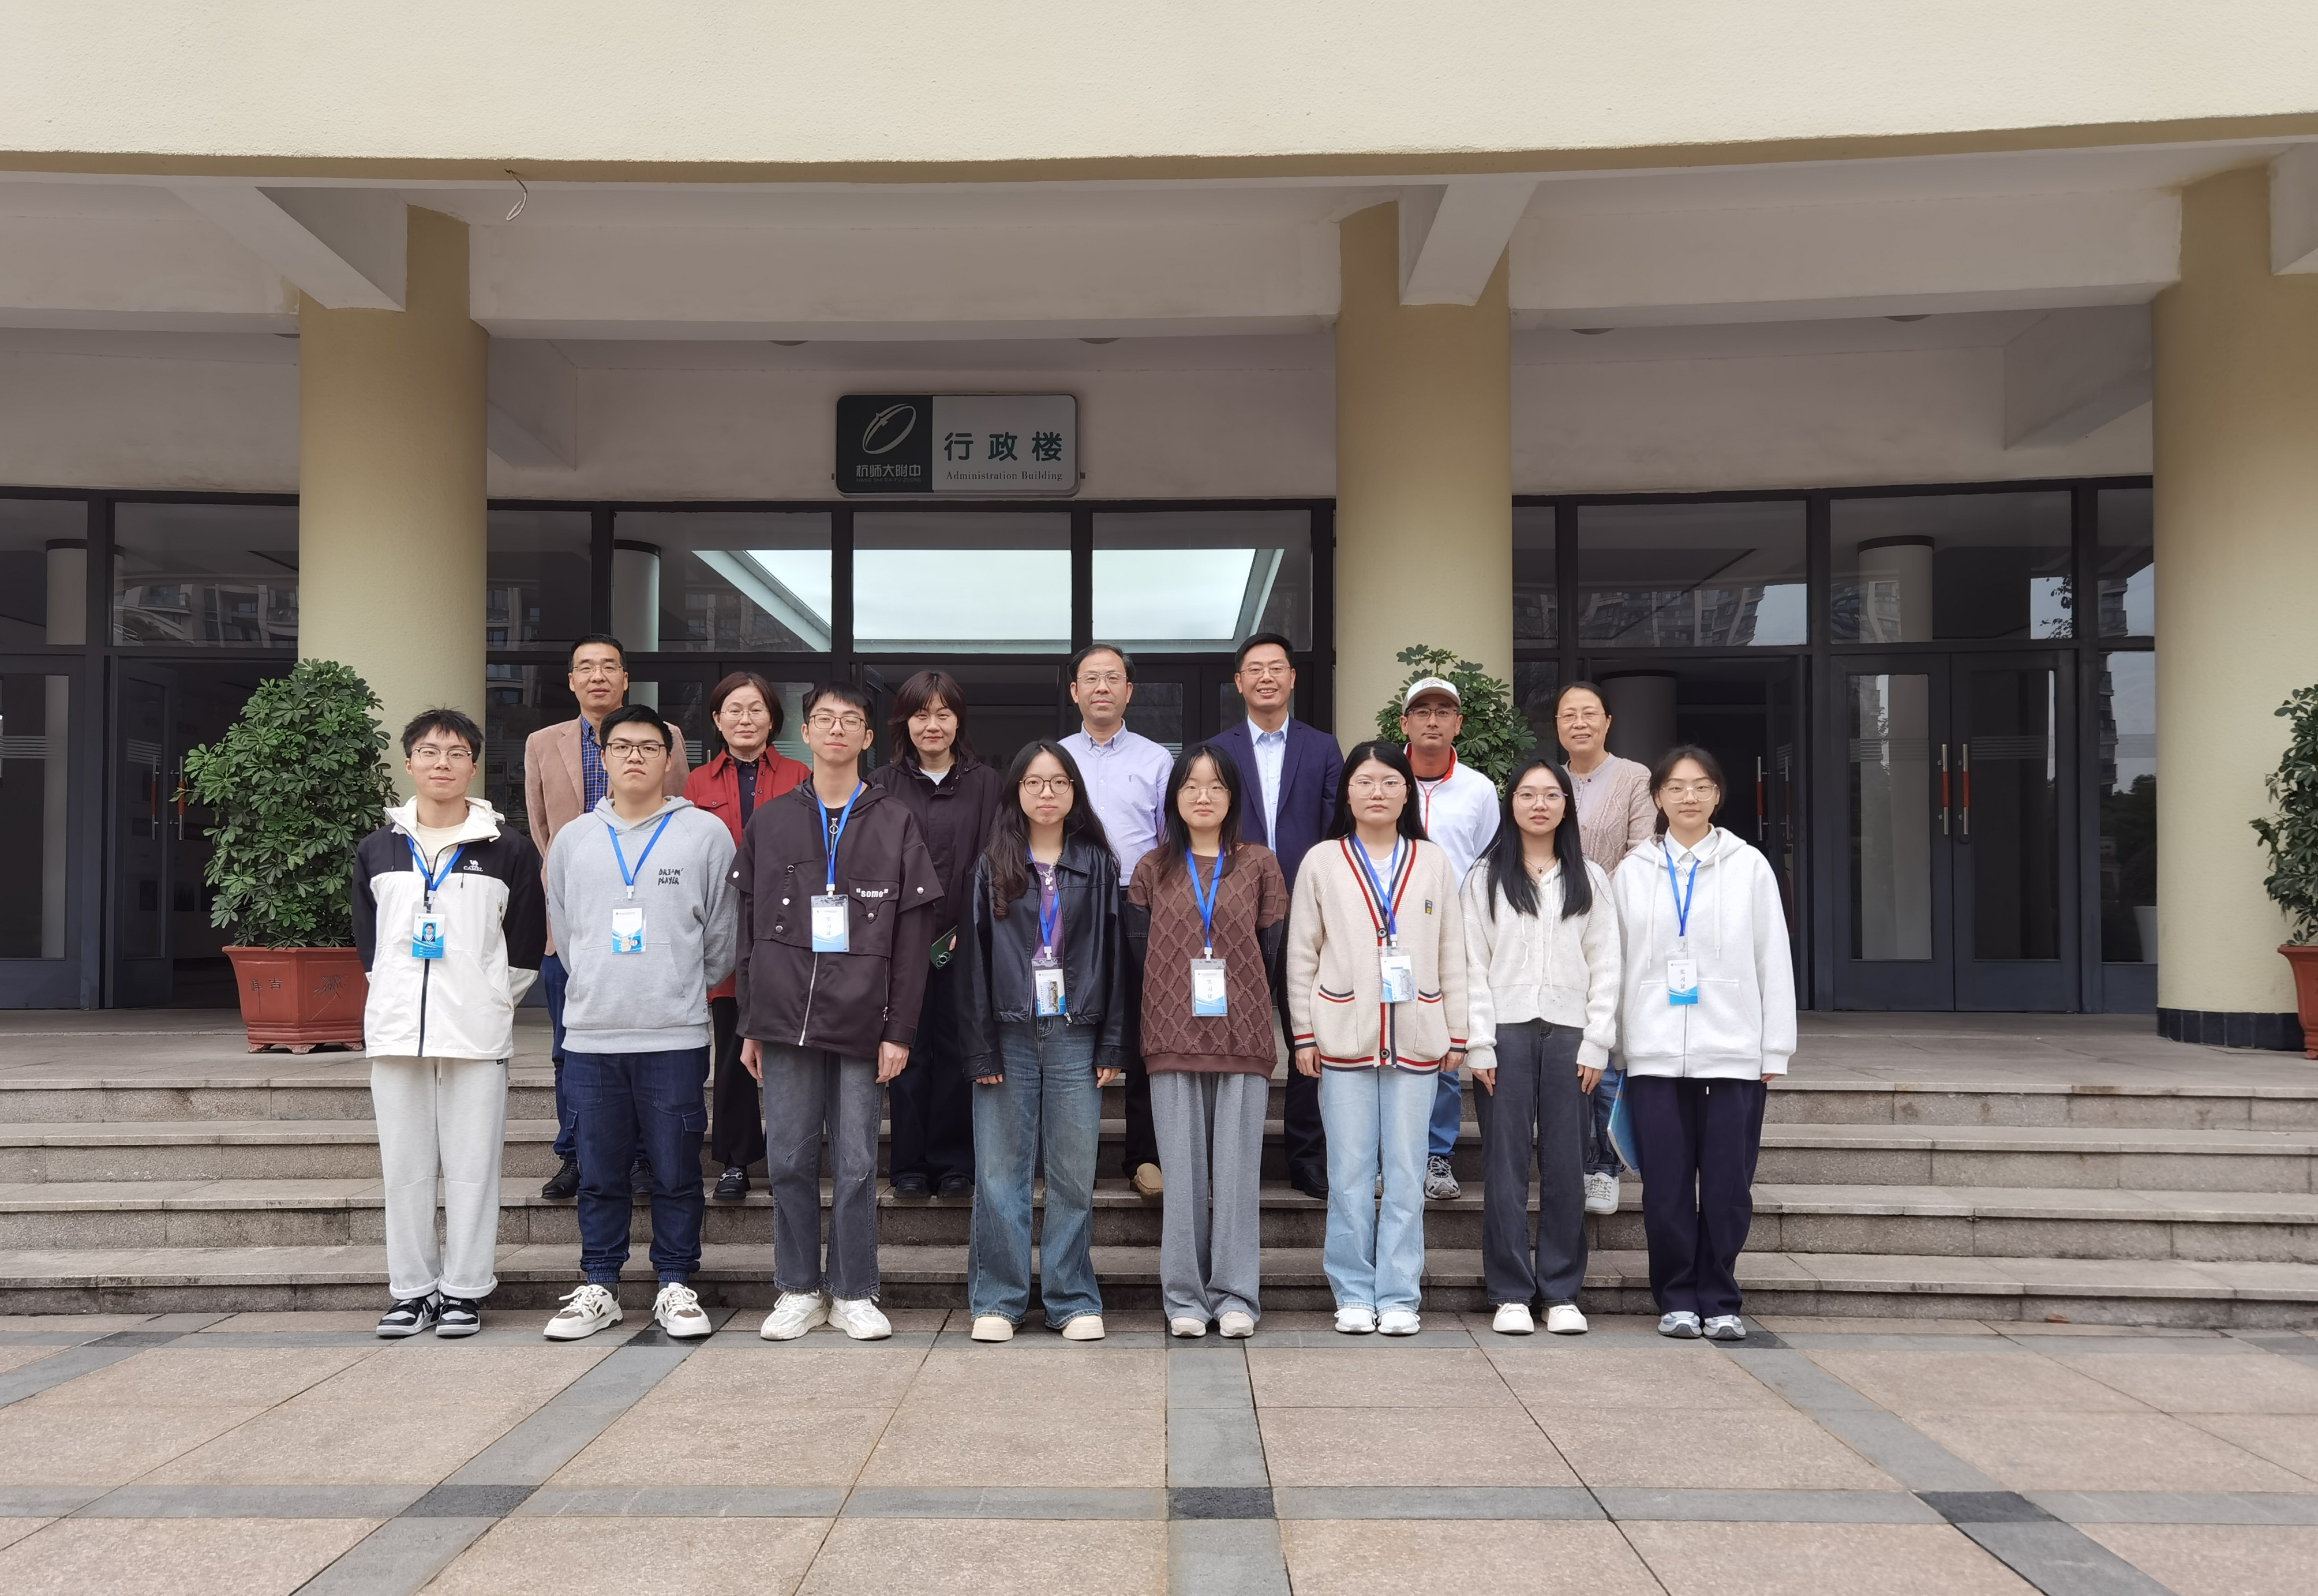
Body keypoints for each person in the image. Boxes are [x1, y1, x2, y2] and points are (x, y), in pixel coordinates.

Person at [737, 682, 942, 1342]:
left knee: (856, 1163)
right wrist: (749, 1023)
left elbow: (913, 936)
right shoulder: (771, 820)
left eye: (850, 720)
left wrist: (900, 1029)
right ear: (804, 732)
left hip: (863, 1017)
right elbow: (747, 928)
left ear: (868, 737)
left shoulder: (895, 819)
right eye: (823, 718)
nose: (836, 728)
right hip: (783, 1018)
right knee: (788, 1160)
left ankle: (854, 1290)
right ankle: (798, 1288)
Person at [540, 704, 736, 1342]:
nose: (634, 757)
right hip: (593, 1035)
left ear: (668, 758)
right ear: (603, 757)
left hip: (673, 1033)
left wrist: (676, 985)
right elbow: (567, 932)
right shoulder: (574, 840)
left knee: (677, 1169)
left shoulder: (705, 834)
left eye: (649, 747)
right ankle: (600, 1284)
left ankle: (675, 1283)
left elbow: (723, 936)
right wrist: (603, 985)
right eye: (621, 746)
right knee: (599, 1172)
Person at [354, 709, 546, 1339]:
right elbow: (369, 947)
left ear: (473, 766)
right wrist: (393, 997)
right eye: (430, 752)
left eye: (457, 753)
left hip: (475, 1032)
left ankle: (464, 1289)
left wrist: (487, 1000)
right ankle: (411, 1292)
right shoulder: (378, 849)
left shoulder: (508, 849)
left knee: (473, 1168)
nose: (443, 763)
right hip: (396, 1033)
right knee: (404, 1170)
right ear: (409, 763)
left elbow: (524, 946)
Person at [1611, 745, 1796, 1343]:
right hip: (1654, 1053)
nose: (1688, 796)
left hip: (1734, 1052)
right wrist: (1618, 1044)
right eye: (1675, 787)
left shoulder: (1749, 866)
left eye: (1700, 786)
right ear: (1657, 798)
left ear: (1717, 795)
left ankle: (1719, 1298)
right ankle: (1675, 1298)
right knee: (1665, 1186)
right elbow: (1615, 962)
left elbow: (1773, 958)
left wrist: (1774, 1047)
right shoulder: (1633, 871)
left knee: (1726, 1187)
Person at [1286, 740, 1468, 1338]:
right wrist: (1303, 1035)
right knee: (1349, 1173)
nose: (1377, 792)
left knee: (1408, 1173)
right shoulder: (1322, 860)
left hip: (1417, 1034)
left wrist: (1458, 1031)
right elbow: (1302, 953)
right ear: (1347, 793)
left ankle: (1398, 1294)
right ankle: (1352, 1291)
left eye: (1390, 781)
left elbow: (1452, 951)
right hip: (1345, 1034)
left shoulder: (1432, 860)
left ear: (1406, 792)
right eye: (1364, 782)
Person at [954, 740, 1128, 1343]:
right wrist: (980, 1048)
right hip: (1009, 1033)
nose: (1046, 793)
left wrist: (1113, 1043)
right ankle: (998, 1300)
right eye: (1034, 783)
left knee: (1073, 1175)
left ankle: (1071, 1298)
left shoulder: (1096, 865)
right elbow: (972, 964)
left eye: (1058, 782)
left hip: (1076, 1032)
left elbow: (1115, 956)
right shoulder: (992, 864)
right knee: (1000, 1174)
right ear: (1016, 792)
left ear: (1074, 791)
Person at [1128, 743, 1289, 1339]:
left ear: (1233, 797)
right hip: (1170, 1035)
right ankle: (1185, 1300)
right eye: (1191, 785)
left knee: (1238, 1176)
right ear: (1174, 797)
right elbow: (1139, 957)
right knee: (1184, 1179)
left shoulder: (1260, 865)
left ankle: (1235, 1295)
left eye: (1216, 786)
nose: (1203, 796)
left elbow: (1273, 953)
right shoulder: (1152, 868)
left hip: (1243, 1036)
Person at [525, 634, 690, 1201]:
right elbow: (542, 831)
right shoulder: (542, 743)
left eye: (609, 667)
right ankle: (574, 1153)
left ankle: (643, 1157)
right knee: (568, 1049)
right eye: (586, 668)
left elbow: (675, 821)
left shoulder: (666, 738)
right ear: (571, 681)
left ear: (626, 679)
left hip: (651, 924)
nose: (597, 676)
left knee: (647, 1051)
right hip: (575, 926)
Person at [1461, 755, 1620, 1338]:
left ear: (1566, 806)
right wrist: (1479, 1042)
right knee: (1503, 1167)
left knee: (1565, 1166)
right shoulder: (1484, 877)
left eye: (1551, 795)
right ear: (1511, 804)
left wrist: (1597, 1041)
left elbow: (1607, 963)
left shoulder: (1590, 878)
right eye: (1527, 794)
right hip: (1505, 1034)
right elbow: (1471, 965)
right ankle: (1509, 1291)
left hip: (1570, 1037)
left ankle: (1559, 1291)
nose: (1539, 805)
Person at [1208, 631, 1338, 1200]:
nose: (1266, 677)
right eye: (1254, 669)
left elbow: (1335, 828)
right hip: (1234, 913)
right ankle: (1229, 1155)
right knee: (1231, 1033)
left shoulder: (1323, 748)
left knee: (1309, 1032)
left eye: (1276, 667)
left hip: (1307, 910)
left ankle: (1305, 1156)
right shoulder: (1216, 750)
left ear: (1292, 678)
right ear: (1239, 682)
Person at [868, 669, 1006, 1200]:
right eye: (921, 714)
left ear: (958, 721)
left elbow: (996, 859)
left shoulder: (986, 784)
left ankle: (953, 1163)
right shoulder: (881, 784)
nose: (933, 725)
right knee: (906, 1048)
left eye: (943, 714)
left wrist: (967, 929)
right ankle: (908, 1162)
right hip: (898, 943)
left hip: (964, 940)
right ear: (904, 721)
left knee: (955, 1048)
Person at [683, 672, 809, 1201]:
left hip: (788, 930)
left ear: (772, 719)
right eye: (734, 710)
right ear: (717, 720)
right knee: (735, 1049)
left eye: (756, 709)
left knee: (789, 1051)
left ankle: (791, 1158)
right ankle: (736, 1160)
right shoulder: (696, 784)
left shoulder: (800, 774)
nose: (745, 719)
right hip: (725, 927)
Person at [1059, 642, 1174, 1198]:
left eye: (1112, 678)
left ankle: (1144, 1155)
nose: (1101, 687)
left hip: (1137, 901)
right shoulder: (1055, 759)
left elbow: (1169, 841)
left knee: (1143, 1027)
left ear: (1129, 691)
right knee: (1072, 1023)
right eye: (1091, 678)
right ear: (1074, 691)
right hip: (1067, 901)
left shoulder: (1156, 760)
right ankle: (1066, 1152)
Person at [1553, 679, 1658, 1219]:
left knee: (1606, 1048)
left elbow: (1642, 851)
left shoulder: (1635, 778)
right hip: (1555, 934)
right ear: (1557, 725)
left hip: (1616, 930)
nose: (1579, 723)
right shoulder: (1549, 781)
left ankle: (1603, 1167)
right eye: (1568, 714)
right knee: (1570, 1046)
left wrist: (1588, 895)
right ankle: (1572, 1160)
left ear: (1607, 722)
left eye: (1589, 713)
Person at [1398, 676, 1499, 1202]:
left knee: (1440, 1044)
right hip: (1387, 934)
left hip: (1449, 938)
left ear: (1458, 723)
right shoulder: (1384, 778)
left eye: (1443, 712)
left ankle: (1435, 1154)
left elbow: (1486, 864)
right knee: (1385, 1039)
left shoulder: (1479, 790)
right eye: (1422, 711)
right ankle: (1390, 1154)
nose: (1432, 720)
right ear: (1404, 723)